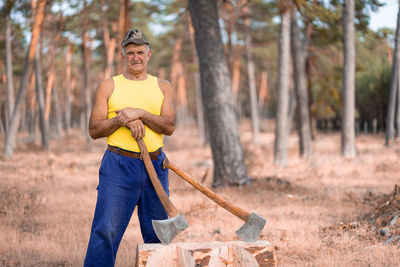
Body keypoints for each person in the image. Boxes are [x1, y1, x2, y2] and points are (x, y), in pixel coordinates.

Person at [84, 29, 175, 267]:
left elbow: (169, 126)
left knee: (159, 234)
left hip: (155, 166)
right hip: (118, 166)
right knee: (106, 230)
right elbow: (94, 130)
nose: (136, 57)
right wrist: (120, 119)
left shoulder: (163, 86)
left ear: (149, 54)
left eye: (141, 52)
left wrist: (141, 114)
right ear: (124, 54)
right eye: (131, 52)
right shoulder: (109, 85)